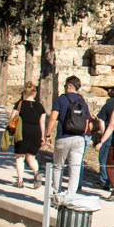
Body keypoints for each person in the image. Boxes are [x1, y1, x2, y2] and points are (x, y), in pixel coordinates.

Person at [46, 76, 101, 205]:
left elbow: (53, 117)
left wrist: (47, 134)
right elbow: (87, 124)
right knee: (75, 169)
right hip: (79, 139)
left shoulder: (61, 99)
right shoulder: (83, 103)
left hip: (63, 137)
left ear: (69, 85)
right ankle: (70, 196)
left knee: (58, 166)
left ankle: (56, 195)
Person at [11, 82, 46, 188]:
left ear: (25, 92)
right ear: (34, 93)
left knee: (20, 157)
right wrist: (42, 136)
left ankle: (20, 181)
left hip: (22, 132)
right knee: (31, 157)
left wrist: (11, 132)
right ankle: (36, 172)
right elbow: (42, 122)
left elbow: (12, 119)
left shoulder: (19, 104)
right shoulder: (40, 106)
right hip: (35, 132)